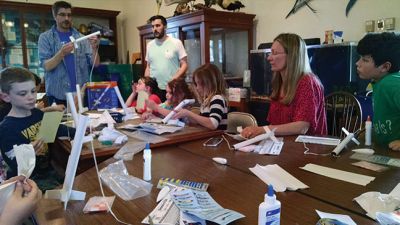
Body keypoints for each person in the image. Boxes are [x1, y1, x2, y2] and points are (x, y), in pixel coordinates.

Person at [0, 67, 74, 190]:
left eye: (33, 91)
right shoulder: (6, 129)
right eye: (23, 93)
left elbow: (55, 128)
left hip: (48, 172)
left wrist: (81, 131)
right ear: (6, 97)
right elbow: (14, 165)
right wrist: (29, 153)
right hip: (26, 182)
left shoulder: (36, 113)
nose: (31, 97)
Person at [241, 33, 327, 138]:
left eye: (275, 53)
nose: (269, 58)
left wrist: (263, 130)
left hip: (307, 148)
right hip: (284, 145)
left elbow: (302, 127)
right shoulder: (279, 82)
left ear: (292, 56)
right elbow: (274, 124)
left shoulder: (307, 82)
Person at [38, 1, 100, 106]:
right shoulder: (45, 38)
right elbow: (46, 66)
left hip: (80, 94)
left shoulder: (81, 38)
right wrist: (61, 53)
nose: (66, 18)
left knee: (83, 122)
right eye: (62, 15)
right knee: (60, 123)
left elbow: (96, 64)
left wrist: (94, 48)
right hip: (57, 94)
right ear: (54, 16)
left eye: (69, 15)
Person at [356, 32, 400, 151]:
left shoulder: (392, 84)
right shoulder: (379, 82)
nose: (357, 63)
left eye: (365, 60)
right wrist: (373, 133)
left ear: (385, 67)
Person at [171, 63, 228, 130]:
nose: (197, 88)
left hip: (217, 138)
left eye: (200, 84)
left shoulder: (217, 98)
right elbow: (200, 122)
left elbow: (213, 124)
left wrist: (189, 114)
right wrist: (186, 114)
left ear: (210, 83)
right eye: (196, 84)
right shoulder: (206, 101)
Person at [144, 15, 188, 101]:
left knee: (171, 114)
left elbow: (184, 64)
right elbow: (148, 67)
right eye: (153, 26)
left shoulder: (176, 42)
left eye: (158, 25)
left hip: (171, 89)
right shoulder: (149, 45)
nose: (155, 29)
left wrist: (173, 80)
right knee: (154, 113)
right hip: (154, 89)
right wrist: (146, 83)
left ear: (165, 26)